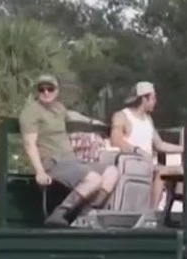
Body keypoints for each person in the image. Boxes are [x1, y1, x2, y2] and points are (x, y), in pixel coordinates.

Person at [19, 74, 120, 227]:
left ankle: (85, 214)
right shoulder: (31, 111)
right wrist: (40, 171)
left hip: (71, 162)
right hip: (53, 163)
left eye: (50, 89)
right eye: (42, 89)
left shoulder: (58, 108)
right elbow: (29, 143)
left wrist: (93, 122)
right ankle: (60, 213)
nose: (46, 92)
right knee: (93, 179)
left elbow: (72, 115)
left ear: (57, 91)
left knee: (112, 172)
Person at [109, 81, 184, 208]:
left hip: (147, 164)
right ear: (144, 99)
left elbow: (159, 144)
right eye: (153, 98)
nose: (155, 102)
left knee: (176, 170)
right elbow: (116, 140)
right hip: (132, 162)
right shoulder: (122, 116)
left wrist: (184, 149)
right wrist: (137, 150)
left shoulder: (148, 119)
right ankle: (153, 211)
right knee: (162, 172)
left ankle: (166, 208)